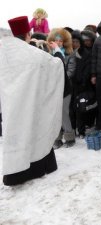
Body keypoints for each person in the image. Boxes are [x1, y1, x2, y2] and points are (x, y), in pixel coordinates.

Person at [0, 16, 64, 186]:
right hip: (30, 102)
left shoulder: (4, 52)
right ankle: (37, 168)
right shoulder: (32, 53)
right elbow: (55, 66)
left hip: (11, 104)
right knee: (35, 129)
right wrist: (58, 52)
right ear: (28, 33)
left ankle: (15, 174)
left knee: (16, 133)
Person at [47, 28, 76, 148]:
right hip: (53, 89)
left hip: (65, 88)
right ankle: (57, 138)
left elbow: (70, 71)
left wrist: (60, 78)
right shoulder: (48, 55)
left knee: (64, 113)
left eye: (60, 40)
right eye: (56, 40)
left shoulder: (70, 55)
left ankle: (70, 137)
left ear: (64, 42)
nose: (58, 42)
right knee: (54, 114)